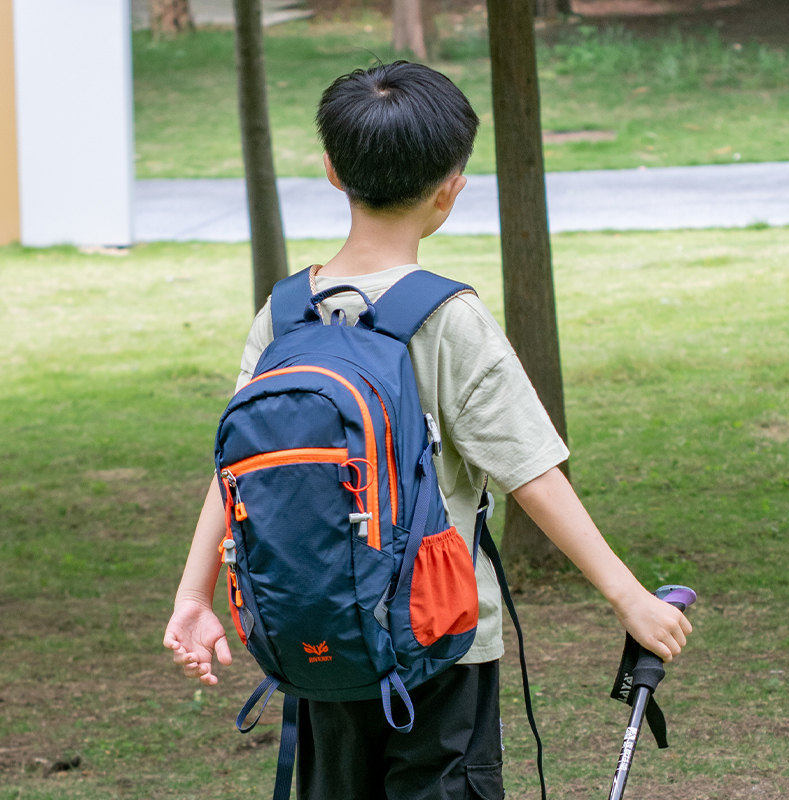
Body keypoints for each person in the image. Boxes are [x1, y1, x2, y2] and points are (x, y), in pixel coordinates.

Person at [164, 61, 692, 800]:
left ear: (330, 169)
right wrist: (628, 596)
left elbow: (237, 468)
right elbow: (531, 473)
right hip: (440, 641)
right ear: (452, 188)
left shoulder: (284, 314)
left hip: (321, 634)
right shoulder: (447, 317)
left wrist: (194, 596)